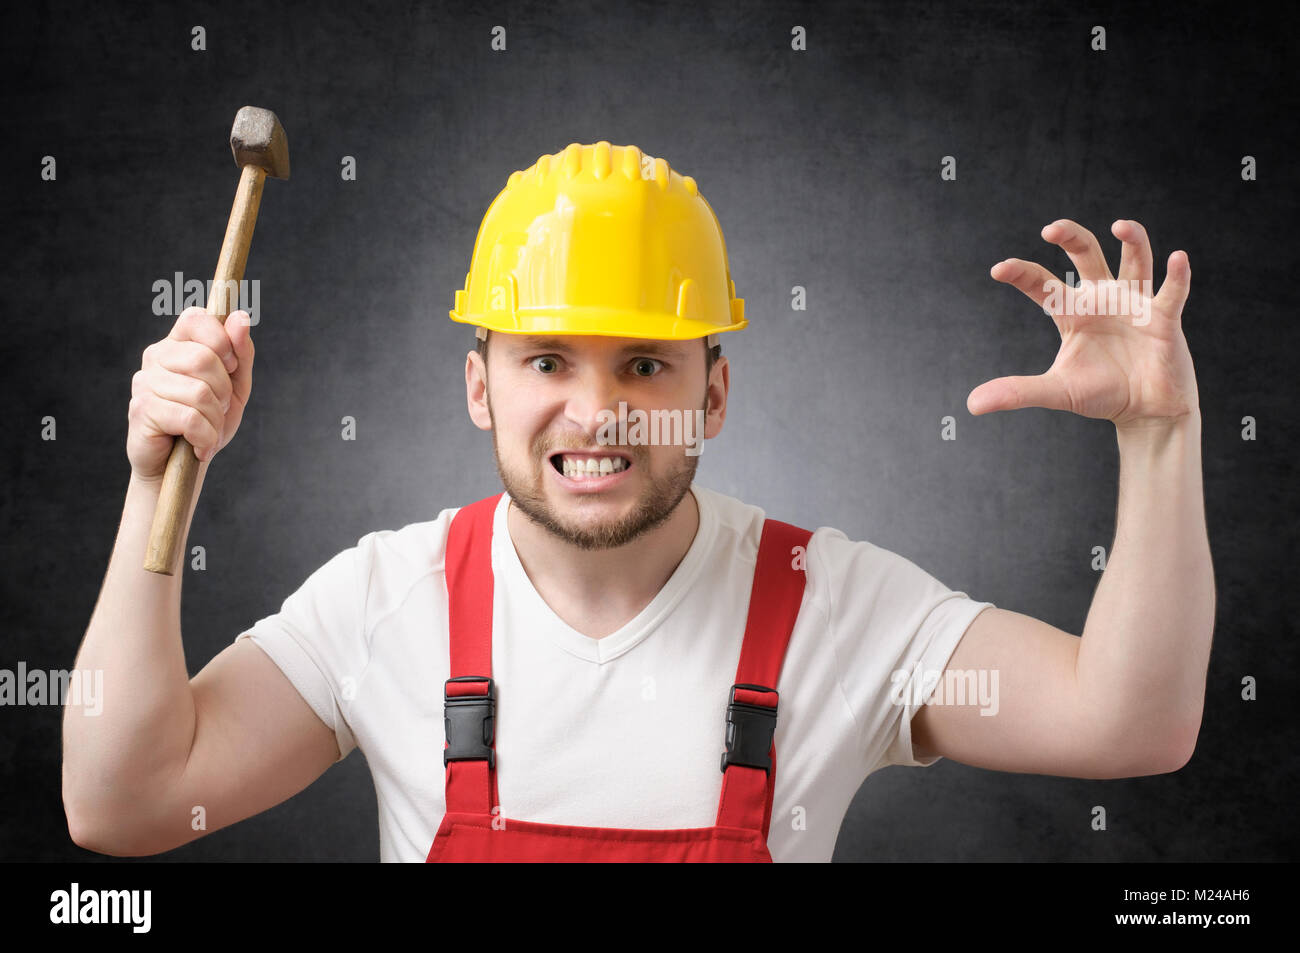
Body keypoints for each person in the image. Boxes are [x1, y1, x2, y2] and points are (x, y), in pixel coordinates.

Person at [62, 142, 1214, 862]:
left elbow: (1128, 722)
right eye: (549, 360)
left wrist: (1158, 438)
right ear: (481, 385)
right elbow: (126, 805)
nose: (597, 410)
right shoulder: (383, 603)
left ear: (714, 390)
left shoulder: (835, 604)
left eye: (647, 363)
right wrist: (162, 478)